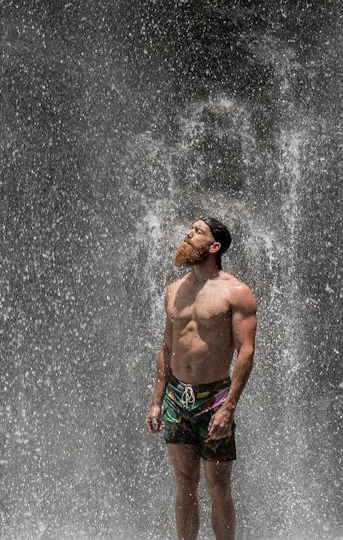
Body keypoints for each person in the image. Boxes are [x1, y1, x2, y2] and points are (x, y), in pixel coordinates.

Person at [145, 217, 258, 540]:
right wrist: (156, 401)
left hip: (215, 400)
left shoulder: (236, 292)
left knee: (218, 485)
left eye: (197, 232)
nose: (188, 234)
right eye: (190, 229)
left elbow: (246, 352)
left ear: (214, 246)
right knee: (184, 482)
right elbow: (167, 347)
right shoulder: (174, 291)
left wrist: (229, 408)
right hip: (177, 398)